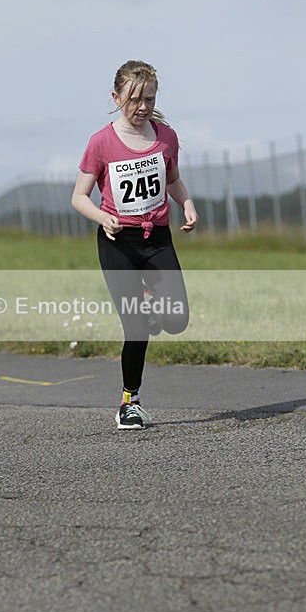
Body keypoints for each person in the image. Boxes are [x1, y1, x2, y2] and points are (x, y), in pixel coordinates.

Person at [71, 60, 198, 429]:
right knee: (136, 328)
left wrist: (186, 203)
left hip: (157, 238)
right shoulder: (101, 142)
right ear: (115, 97)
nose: (142, 107)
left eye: (149, 99)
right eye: (134, 99)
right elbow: (78, 197)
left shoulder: (165, 137)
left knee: (176, 321)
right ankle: (130, 402)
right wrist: (100, 216)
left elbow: (172, 179)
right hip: (117, 242)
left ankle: (151, 299)